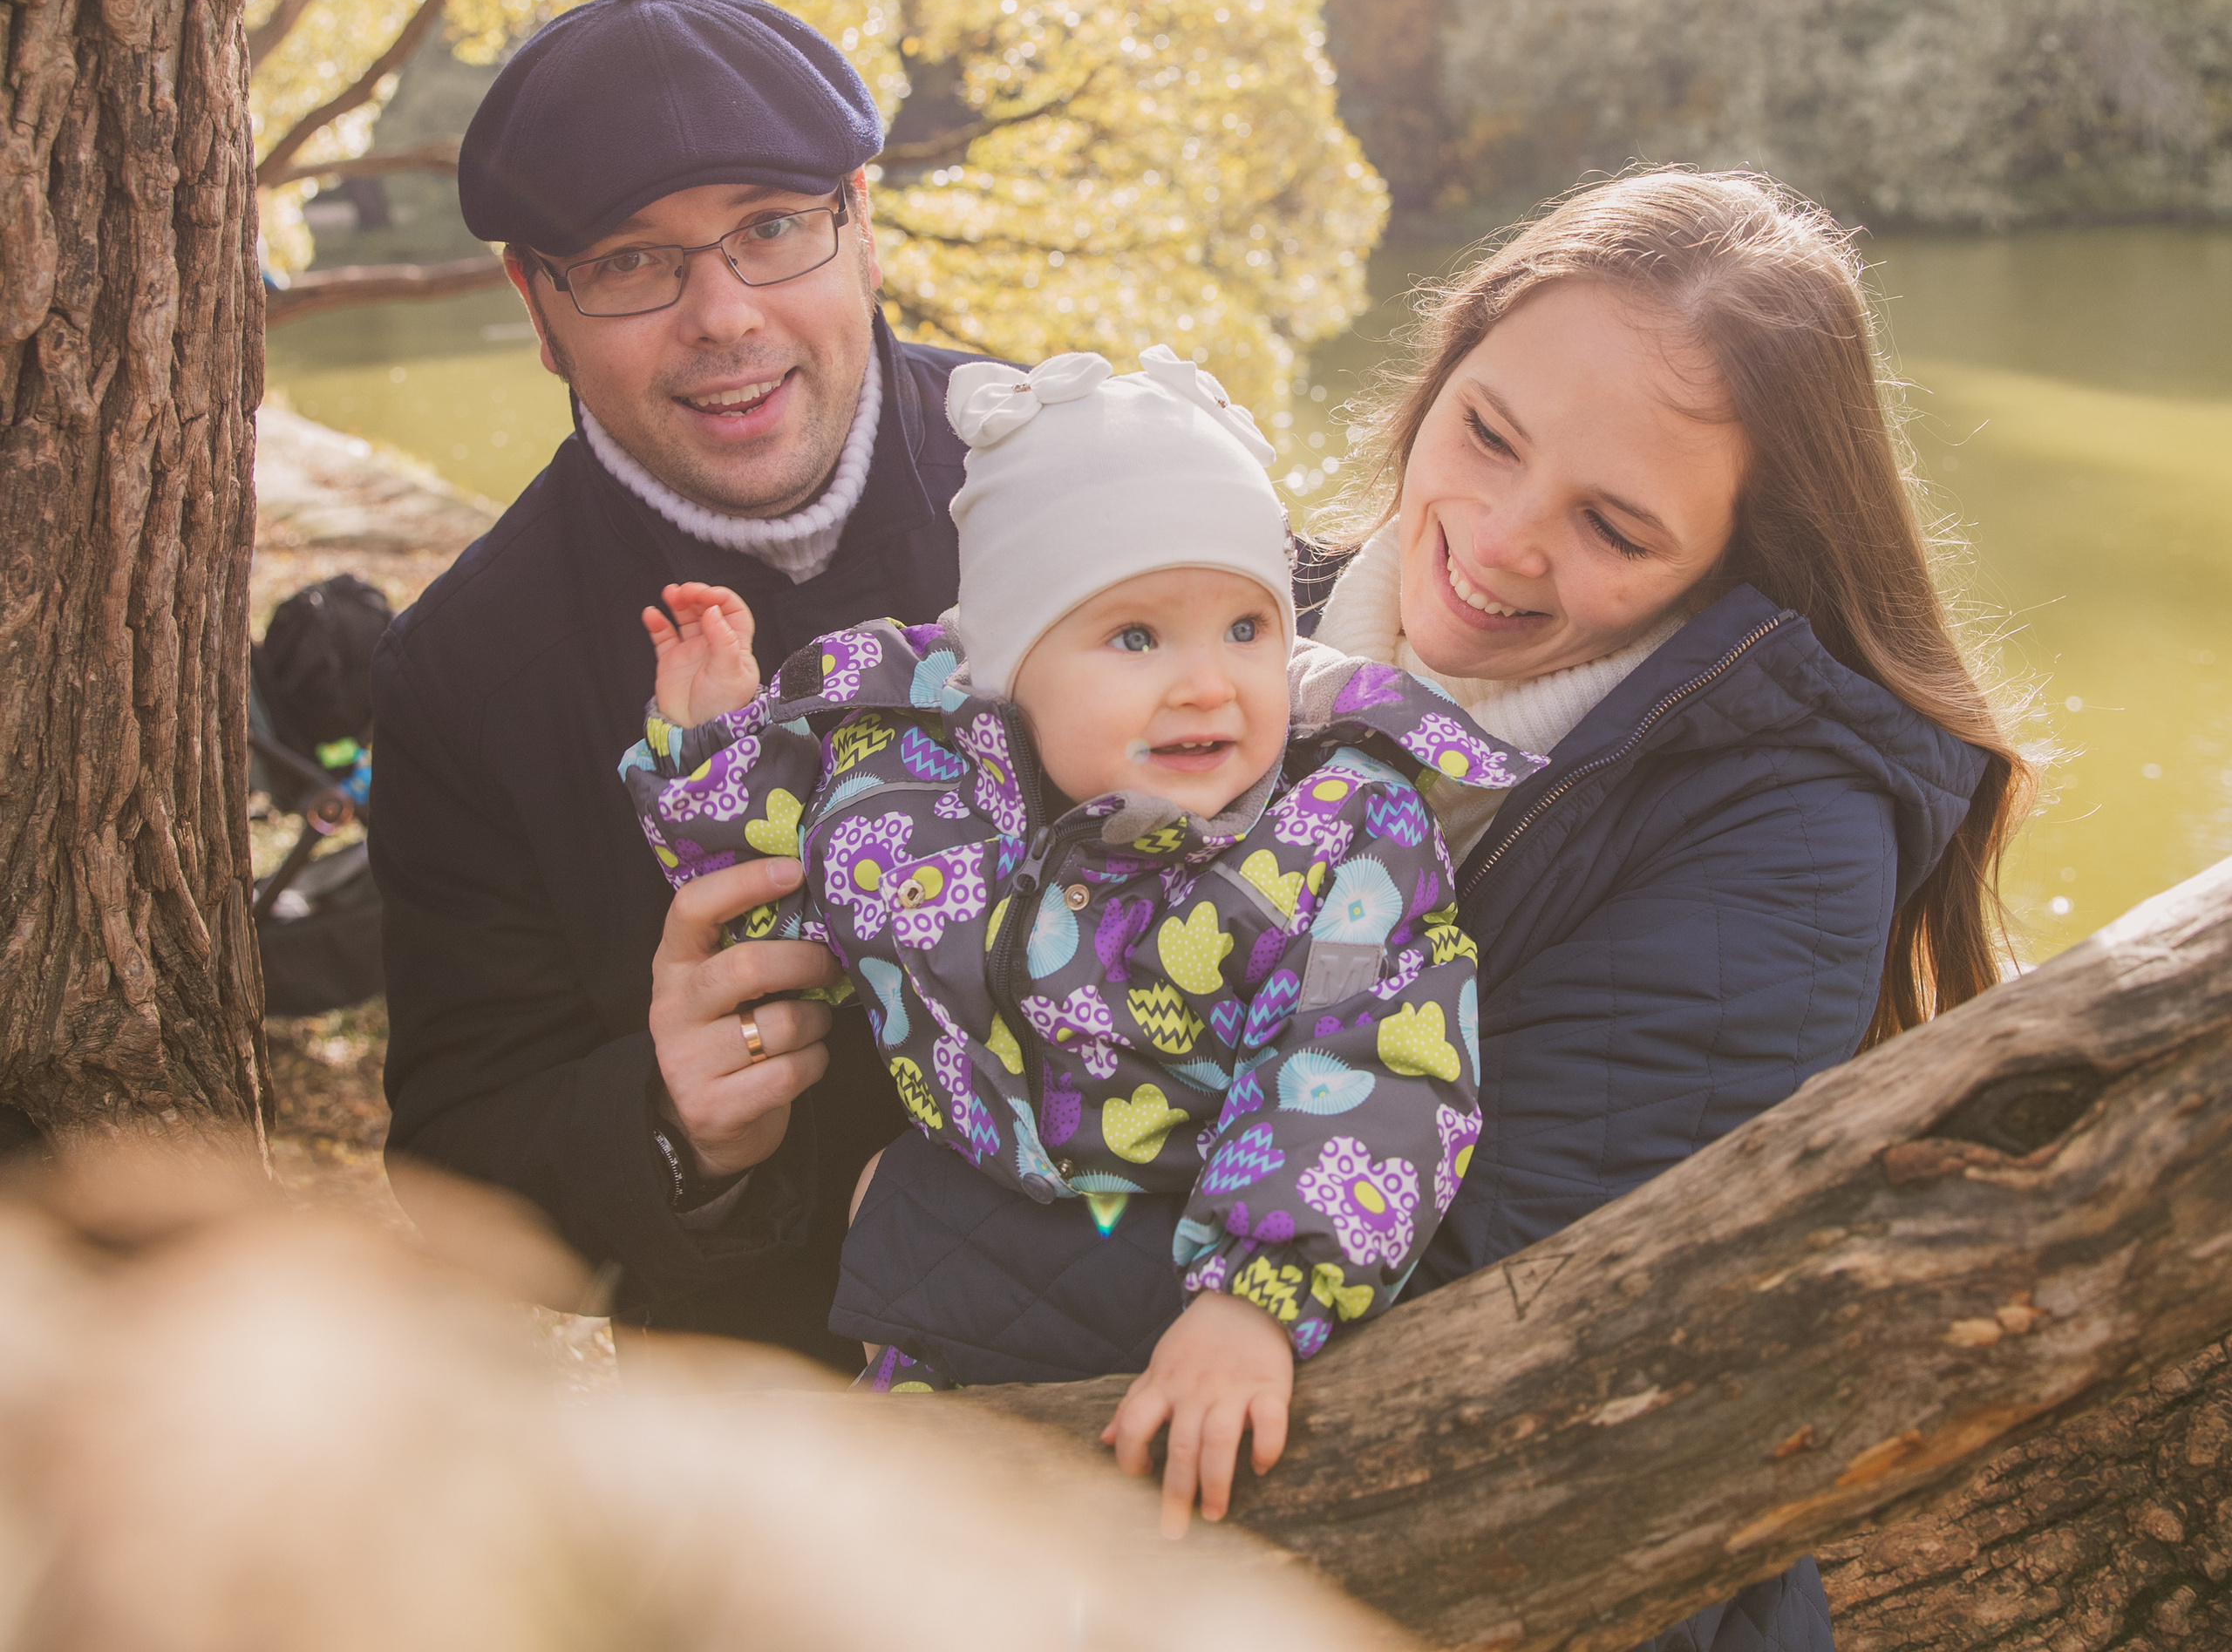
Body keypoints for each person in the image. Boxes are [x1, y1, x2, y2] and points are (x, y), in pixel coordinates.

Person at [1293, 167, 2032, 1652]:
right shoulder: (1230, 629)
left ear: (1734, 565)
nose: (1497, 540)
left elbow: (1476, 1332)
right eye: (1486, 434)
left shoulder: (1790, 829)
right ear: (1443, 370)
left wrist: (914, 1216)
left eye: (1615, 530)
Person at [617, 346, 1534, 1529]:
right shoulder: (916, 799)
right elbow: (777, 902)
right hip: (948, 1314)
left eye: (1246, 625)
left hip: (1208, 1281)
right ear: (1011, 673)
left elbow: (1367, 1065)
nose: (1208, 684)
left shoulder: (1341, 837)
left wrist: (1258, 1299)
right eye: (1137, 639)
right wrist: (709, 745)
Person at [373, 0, 988, 1359]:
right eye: (630, 262)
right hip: (770, 1408)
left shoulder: (1081, 474)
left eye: (770, 229)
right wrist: (669, 1124)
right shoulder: (462, 674)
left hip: (1158, 1349)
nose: (721, 315)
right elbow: (458, 1146)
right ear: (537, 304)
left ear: (861, 221)